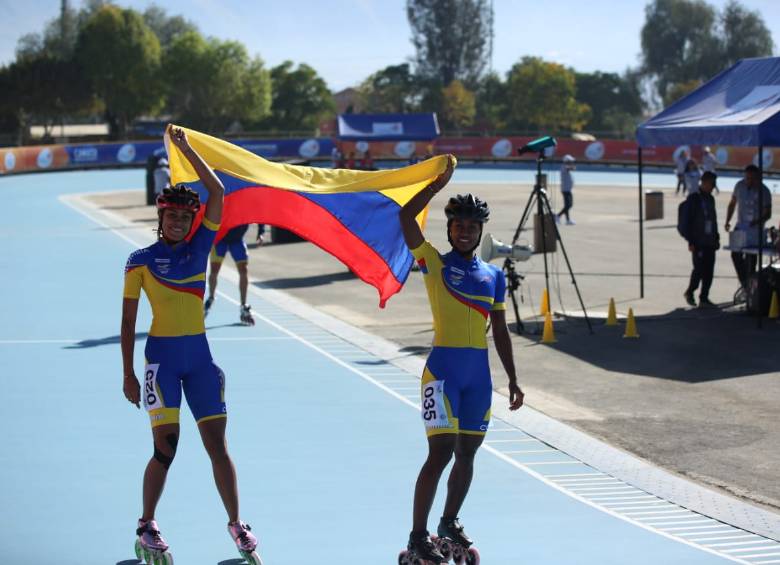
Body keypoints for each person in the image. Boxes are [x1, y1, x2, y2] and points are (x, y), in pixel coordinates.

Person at [121, 126, 260, 564]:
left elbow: (217, 190)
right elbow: (127, 323)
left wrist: (187, 148)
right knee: (167, 448)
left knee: (218, 446)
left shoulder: (202, 245)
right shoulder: (138, 261)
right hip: (161, 361)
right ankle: (147, 524)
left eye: (186, 216)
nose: (179, 221)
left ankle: (237, 523)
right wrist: (126, 373)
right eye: (172, 216)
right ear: (160, 218)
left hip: (200, 361)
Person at [398, 159, 524, 563]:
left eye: (472, 225)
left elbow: (501, 331)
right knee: (441, 453)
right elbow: (405, 217)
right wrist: (437, 185)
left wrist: (513, 380)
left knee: (467, 454)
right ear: (449, 229)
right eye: (458, 225)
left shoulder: (493, 275)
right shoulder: (434, 263)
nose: (465, 230)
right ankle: (419, 535)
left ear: (480, 231)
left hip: (479, 379)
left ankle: (448, 522)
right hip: (442, 374)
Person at [724, 164, 773, 289]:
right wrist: (727, 220)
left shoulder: (764, 191)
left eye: (753, 178)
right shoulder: (739, 186)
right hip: (741, 226)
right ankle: (744, 283)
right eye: (748, 178)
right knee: (735, 254)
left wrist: (757, 222)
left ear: (759, 178)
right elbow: (733, 203)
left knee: (751, 259)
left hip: (755, 229)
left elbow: (768, 213)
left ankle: (750, 287)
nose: (750, 181)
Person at [681, 171, 720, 307]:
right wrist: (690, 241)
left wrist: (716, 236)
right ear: (704, 182)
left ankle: (704, 297)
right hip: (698, 241)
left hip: (710, 241)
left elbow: (713, 219)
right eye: (711, 183)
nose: (713, 186)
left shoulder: (711, 199)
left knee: (709, 270)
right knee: (698, 269)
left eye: (715, 184)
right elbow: (687, 221)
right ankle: (690, 291)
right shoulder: (694, 198)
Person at [204, 224, 255, 325]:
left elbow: (256, 213)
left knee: (243, 270)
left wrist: (261, 231)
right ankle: (211, 298)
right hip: (220, 240)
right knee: (214, 271)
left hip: (237, 240)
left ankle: (244, 304)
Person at [556, 154, 576, 225]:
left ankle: (567, 220)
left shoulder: (565, 167)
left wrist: (571, 163)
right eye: (569, 161)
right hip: (565, 190)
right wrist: (572, 163)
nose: (571, 162)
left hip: (567, 189)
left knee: (567, 205)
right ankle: (558, 216)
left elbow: (572, 168)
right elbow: (572, 168)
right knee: (569, 205)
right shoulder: (564, 167)